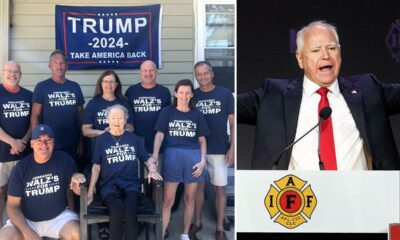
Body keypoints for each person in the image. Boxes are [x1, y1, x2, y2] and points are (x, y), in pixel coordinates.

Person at [237, 20, 400, 170]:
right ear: (300, 59)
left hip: (362, 196)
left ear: (340, 54)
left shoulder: (368, 89)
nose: (325, 56)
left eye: (331, 48)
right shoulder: (273, 95)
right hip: (299, 197)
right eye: (316, 50)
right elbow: (226, 104)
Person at [87, 104, 162, 240]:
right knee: (116, 210)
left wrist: (151, 169)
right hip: (109, 186)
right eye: (113, 118)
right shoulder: (101, 140)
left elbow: (147, 159)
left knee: (130, 209)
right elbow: (96, 167)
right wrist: (90, 191)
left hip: (131, 185)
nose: (117, 121)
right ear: (108, 120)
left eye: (120, 118)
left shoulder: (134, 139)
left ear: (125, 120)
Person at [0, 124, 80, 240]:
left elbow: (73, 185)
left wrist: (78, 178)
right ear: (31, 144)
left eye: (48, 140)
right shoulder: (21, 168)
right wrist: (28, 233)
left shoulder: (65, 160)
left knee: (77, 233)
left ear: (53, 142)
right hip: (27, 220)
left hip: (58, 217)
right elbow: (12, 206)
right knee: (4, 237)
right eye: (39, 140)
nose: (44, 144)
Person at [152, 79, 209, 240]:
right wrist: (155, 154)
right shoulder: (167, 112)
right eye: (181, 92)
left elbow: (202, 140)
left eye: (187, 93)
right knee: (167, 200)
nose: (184, 96)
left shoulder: (197, 114)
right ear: (176, 94)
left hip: (193, 158)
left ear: (192, 95)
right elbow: (159, 135)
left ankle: (184, 234)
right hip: (172, 157)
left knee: (190, 198)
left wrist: (203, 161)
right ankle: (161, 234)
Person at [82, 71, 134, 239]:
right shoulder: (94, 103)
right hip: (99, 153)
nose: (108, 85)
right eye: (105, 81)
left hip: (121, 154)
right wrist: (104, 132)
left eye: (112, 82)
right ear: (100, 83)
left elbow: (131, 128)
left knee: (120, 192)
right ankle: (104, 226)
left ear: (117, 84)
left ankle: (122, 223)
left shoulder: (124, 102)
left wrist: (118, 131)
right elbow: (85, 130)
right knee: (101, 189)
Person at [190, 61, 234, 240]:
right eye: (199, 74)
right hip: (196, 150)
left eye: (205, 73)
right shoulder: (193, 95)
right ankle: (197, 221)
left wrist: (233, 147)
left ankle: (219, 227)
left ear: (212, 73)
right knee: (198, 188)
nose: (202, 77)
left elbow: (232, 122)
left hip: (219, 148)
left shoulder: (224, 94)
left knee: (220, 189)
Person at [31, 50, 85, 165]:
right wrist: (35, 141)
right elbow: (35, 115)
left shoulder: (74, 87)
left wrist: (81, 141)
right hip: (48, 144)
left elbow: (80, 116)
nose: (59, 66)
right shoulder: (42, 87)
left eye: (62, 63)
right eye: (55, 63)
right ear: (50, 65)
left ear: (66, 66)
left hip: (72, 144)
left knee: (71, 176)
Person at [0, 61, 32, 229]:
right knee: (1, 191)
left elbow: (33, 122)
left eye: (16, 72)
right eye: (9, 71)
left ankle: (18, 228)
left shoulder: (29, 95)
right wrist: (13, 142)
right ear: (3, 72)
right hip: (1, 154)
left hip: (23, 154)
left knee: (20, 193)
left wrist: (23, 142)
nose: (13, 75)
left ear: (21, 74)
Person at [125, 60, 171, 154]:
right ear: (140, 73)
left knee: (156, 169)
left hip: (159, 145)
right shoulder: (131, 91)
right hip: (136, 144)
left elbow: (168, 119)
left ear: (156, 72)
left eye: (151, 70)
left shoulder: (164, 92)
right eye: (145, 70)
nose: (148, 73)